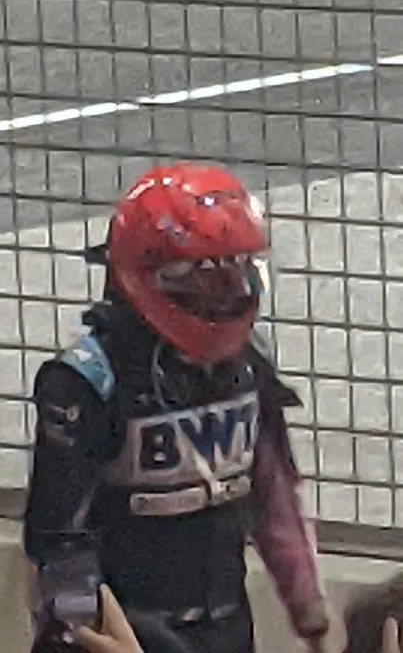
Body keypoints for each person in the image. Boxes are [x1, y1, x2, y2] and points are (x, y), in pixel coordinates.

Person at [23, 161, 338, 653]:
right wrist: (82, 631)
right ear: (148, 272)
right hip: (127, 630)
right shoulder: (87, 382)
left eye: (235, 272)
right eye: (204, 274)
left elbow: (274, 491)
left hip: (226, 624)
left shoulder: (247, 368)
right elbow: (59, 538)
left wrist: (309, 607)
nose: (224, 293)